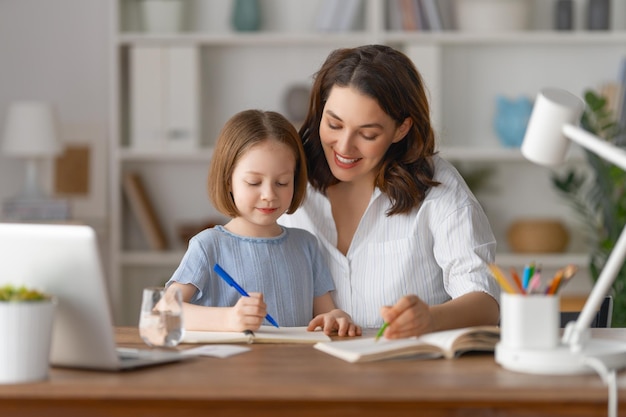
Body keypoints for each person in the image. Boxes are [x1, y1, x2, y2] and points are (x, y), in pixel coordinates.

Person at [278, 45, 501, 339]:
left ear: (401, 129)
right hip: (311, 370)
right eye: (334, 124)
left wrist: (430, 319)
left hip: (411, 372)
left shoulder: (439, 189)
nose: (344, 147)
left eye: (367, 134)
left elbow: (485, 302)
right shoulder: (286, 177)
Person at [166, 109, 361, 337]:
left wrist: (337, 318)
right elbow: (165, 310)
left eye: (282, 182)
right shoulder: (208, 245)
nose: (269, 194)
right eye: (253, 182)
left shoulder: (306, 245)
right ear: (228, 181)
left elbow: (326, 314)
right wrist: (229, 319)